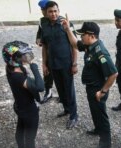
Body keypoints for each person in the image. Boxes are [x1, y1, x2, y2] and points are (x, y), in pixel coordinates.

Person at [62, 15, 118, 148]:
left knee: (101, 115)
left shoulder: (100, 52)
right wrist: (68, 29)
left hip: (98, 90)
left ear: (91, 35)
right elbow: (75, 44)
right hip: (91, 88)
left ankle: (105, 143)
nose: (81, 37)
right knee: (95, 112)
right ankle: (98, 129)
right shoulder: (89, 46)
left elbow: (113, 74)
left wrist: (103, 92)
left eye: (83, 35)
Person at [2, 41, 53, 148]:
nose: (27, 57)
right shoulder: (18, 76)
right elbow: (40, 87)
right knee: (30, 135)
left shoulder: (11, 68)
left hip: (20, 106)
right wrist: (34, 67)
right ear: (14, 59)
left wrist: (26, 63)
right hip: (29, 110)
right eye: (23, 56)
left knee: (20, 128)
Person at [41, 1, 78, 129]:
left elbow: (75, 46)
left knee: (69, 90)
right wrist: (44, 64)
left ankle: (73, 116)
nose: (53, 14)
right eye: (50, 11)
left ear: (59, 10)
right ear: (46, 12)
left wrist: (74, 63)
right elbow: (44, 47)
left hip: (66, 64)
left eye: (56, 11)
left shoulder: (66, 24)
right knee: (60, 89)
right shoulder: (43, 25)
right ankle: (67, 109)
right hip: (53, 64)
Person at [36, 0, 54, 104]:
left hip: (58, 54)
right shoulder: (42, 21)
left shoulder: (58, 20)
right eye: (42, 10)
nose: (42, 12)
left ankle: (63, 94)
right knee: (47, 72)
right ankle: (48, 91)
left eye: (43, 10)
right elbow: (39, 33)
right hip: (47, 52)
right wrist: (38, 39)